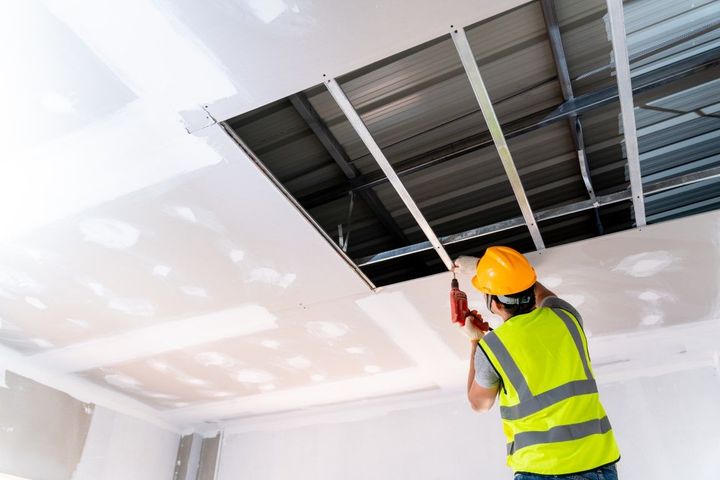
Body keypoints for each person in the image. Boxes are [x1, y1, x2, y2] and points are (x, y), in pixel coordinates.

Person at [453, 246, 620, 480]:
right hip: (597, 463)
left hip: (543, 470)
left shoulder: (493, 347)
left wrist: (474, 342)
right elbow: (540, 292)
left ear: (496, 304)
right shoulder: (565, 316)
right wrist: (487, 268)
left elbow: (479, 403)